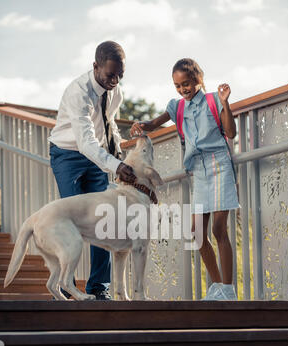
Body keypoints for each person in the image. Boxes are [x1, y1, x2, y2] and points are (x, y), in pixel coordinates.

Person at [130, 58, 240, 301]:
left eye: (187, 84)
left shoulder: (213, 100)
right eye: (178, 86)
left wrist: (225, 104)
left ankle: (229, 290)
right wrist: (140, 126)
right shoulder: (176, 107)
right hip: (198, 171)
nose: (183, 90)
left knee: (219, 229)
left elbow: (231, 133)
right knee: (196, 233)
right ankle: (217, 286)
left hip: (219, 165)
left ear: (198, 79)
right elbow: (152, 124)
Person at [49, 41, 136, 300]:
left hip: (98, 156)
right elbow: (85, 142)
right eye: (110, 75)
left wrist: (117, 149)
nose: (115, 80)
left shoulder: (115, 90)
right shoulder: (78, 92)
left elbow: (107, 122)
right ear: (95, 66)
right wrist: (116, 165)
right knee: (72, 220)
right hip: (68, 156)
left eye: (120, 75)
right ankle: (66, 285)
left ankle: (99, 288)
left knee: (104, 221)